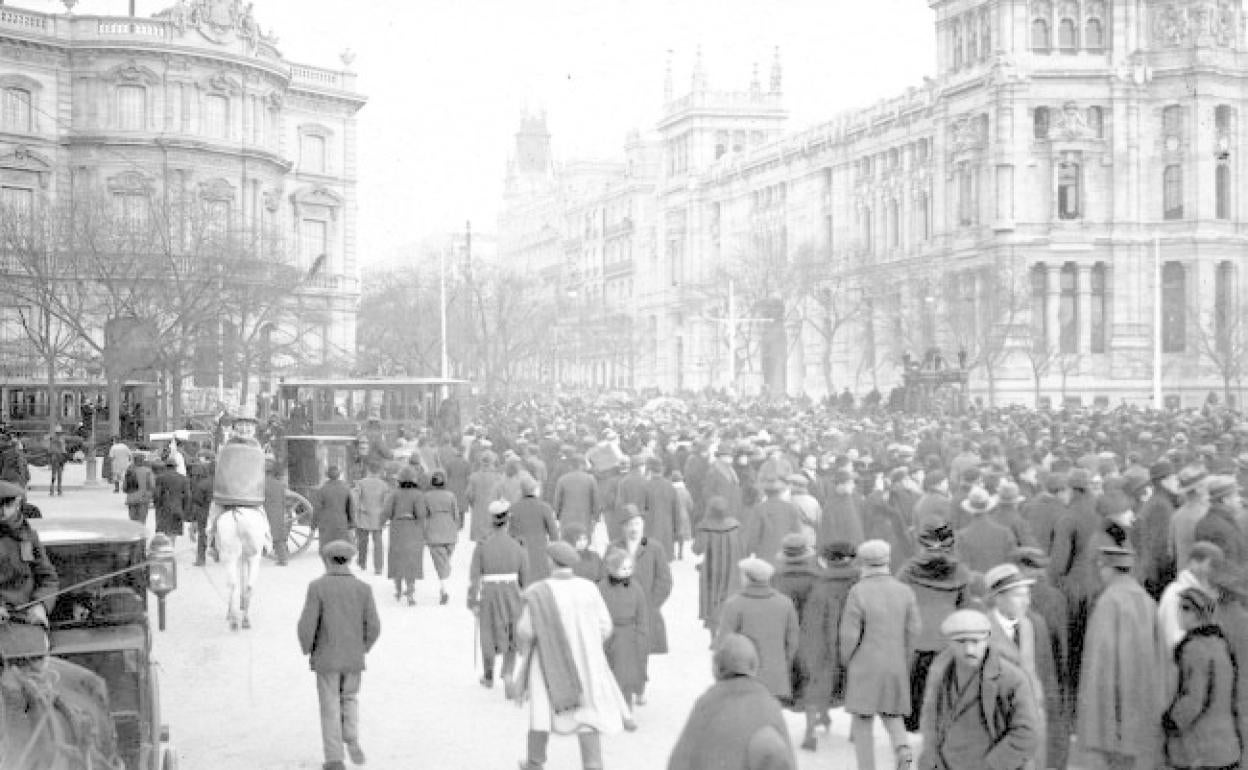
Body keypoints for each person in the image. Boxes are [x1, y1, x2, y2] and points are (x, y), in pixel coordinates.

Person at [510, 541, 630, 770]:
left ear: (551, 562)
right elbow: (605, 626)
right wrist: (590, 644)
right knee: (587, 712)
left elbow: (526, 630)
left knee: (541, 712)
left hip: (548, 660)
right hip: (586, 658)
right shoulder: (589, 588)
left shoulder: (539, 591)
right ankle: (592, 763)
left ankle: (535, 761)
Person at [1077, 546, 1166, 770]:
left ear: (1106, 568)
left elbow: (1099, 664)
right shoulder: (1147, 600)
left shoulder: (1109, 602)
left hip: (1112, 714)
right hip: (1143, 707)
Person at [916, 609, 1040, 770]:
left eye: (975, 642)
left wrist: (990, 766)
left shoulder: (1012, 679)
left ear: (987, 639)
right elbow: (929, 720)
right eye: (961, 642)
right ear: (949, 643)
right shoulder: (939, 672)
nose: (969, 650)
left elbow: (1026, 733)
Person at [296, 540, 381, 770]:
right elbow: (374, 626)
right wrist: (361, 648)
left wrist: (308, 649)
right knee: (350, 698)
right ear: (351, 560)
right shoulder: (364, 589)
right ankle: (351, 738)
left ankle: (334, 758)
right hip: (353, 658)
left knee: (329, 705)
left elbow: (306, 625)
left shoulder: (317, 587)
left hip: (327, 658)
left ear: (327, 560)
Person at [839, 539, 920, 770]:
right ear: (887, 561)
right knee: (893, 715)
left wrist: (847, 660)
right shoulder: (904, 591)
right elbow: (914, 629)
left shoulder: (858, 591)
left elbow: (849, 635)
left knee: (863, 721)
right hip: (895, 662)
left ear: (863, 563)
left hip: (864, 664)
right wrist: (904, 657)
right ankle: (903, 751)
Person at [666, 633, 797, 770]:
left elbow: (680, 761)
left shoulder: (707, 706)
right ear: (754, 666)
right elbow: (785, 761)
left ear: (717, 667)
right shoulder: (769, 707)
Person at [895, 517, 972, 735]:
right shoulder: (960, 572)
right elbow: (964, 608)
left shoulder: (907, 571)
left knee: (916, 692)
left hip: (916, 641)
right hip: (946, 641)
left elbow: (898, 603)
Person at [1163, 588, 1241, 770]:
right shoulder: (1220, 644)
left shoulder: (1194, 648)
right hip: (1226, 746)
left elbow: (1193, 699)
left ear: (1195, 614)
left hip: (1201, 749)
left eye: (1183, 609)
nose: (1178, 614)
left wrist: (1170, 721)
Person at [799, 542, 858, 751]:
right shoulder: (858, 584)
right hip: (856, 644)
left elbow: (811, 626)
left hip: (824, 644)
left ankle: (811, 732)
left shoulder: (819, 586)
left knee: (817, 682)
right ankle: (855, 731)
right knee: (855, 682)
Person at [717, 556, 800, 703]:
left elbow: (724, 643)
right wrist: (783, 663)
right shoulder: (785, 603)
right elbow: (793, 641)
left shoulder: (734, 604)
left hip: (743, 678)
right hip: (776, 676)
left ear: (747, 578)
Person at [614, 505, 672, 704]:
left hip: (645, 611)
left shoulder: (654, 548)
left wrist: (651, 604)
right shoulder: (615, 548)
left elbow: (665, 580)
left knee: (641, 652)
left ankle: (639, 689)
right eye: (629, 524)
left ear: (643, 525)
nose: (634, 528)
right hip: (619, 611)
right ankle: (623, 691)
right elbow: (604, 575)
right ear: (623, 527)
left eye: (637, 523)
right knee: (619, 652)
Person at [468, 499, 528, 689]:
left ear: (491, 520)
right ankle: (508, 673)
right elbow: (525, 577)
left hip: (490, 594)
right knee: (511, 632)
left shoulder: (482, 545)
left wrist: (473, 601)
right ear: (508, 519)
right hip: (511, 592)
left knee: (488, 633)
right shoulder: (518, 545)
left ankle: (488, 676)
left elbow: (474, 576)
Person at [0, 480, 57, 655]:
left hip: (24, 619)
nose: (2, 512)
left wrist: (41, 605)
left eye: (8, 505)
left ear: (17, 504)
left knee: (33, 665)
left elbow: (48, 579)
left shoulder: (28, 536)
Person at [598, 548, 648, 729]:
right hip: (608, 635)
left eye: (629, 568)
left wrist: (642, 636)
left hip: (628, 636)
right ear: (611, 568)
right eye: (622, 568)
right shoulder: (601, 588)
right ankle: (607, 712)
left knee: (626, 676)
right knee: (607, 675)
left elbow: (642, 615)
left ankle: (627, 713)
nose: (627, 571)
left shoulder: (636, 588)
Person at [1156, 541, 1222, 654]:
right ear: (1193, 563)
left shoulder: (1207, 595)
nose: (1214, 571)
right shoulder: (1176, 594)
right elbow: (1174, 641)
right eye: (1212, 565)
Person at [692, 496, 743, 639]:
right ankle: (728, 632)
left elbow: (697, 549)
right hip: (731, 570)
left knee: (711, 600)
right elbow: (742, 549)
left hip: (710, 571)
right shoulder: (735, 527)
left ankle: (713, 635)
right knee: (729, 599)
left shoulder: (705, 527)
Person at [380, 465, 425, 605]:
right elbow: (421, 514)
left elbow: (386, 511)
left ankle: (398, 589)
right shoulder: (418, 494)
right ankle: (410, 591)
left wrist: (380, 523)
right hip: (413, 529)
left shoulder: (394, 494)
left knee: (397, 557)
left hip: (397, 528)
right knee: (412, 559)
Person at [511, 476, 560, 584]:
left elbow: (510, 534)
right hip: (540, 553)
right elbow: (554, 535)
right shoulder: (544, 507)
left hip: (520, 552)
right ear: (535, 490)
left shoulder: (513, 508)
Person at [422, 470, 461, 605]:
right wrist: (455, 527)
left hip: (434, 531)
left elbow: (424, 515)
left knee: (440, 565)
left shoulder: (426, 496)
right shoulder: (451, 495)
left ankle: (445, 590)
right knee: (445, 562)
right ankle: (444, 586)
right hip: (450, 531)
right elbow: (456, 515)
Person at [352, 463, 389, 576]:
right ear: (378, 472)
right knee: (378, 543)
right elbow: (386, 501)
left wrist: (356, 510)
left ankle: (362, 563)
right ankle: (378, 567)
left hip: (364, 516)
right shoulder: (384, 485)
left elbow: (355, 499)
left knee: (362, 541)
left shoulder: (361, 483)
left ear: (368, 471)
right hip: (378, 517)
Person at [312, 466, 356, 551]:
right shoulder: (346, 489)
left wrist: (313, 524)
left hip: (326, 525)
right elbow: (351, 508)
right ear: (339, 475)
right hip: (341, 523)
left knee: (327, 551)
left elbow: (317, 509)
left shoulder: (322, 490)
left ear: (327, 475)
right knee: (340, 550)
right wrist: (352, 523)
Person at [153, 458, 189, 548]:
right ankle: (171, 550)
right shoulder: (183, 479)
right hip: (177, 508)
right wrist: (184, 510)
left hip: (163, 509)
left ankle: (165, 552)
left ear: (166, 467)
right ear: (175, 467)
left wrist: (157, 506)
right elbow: (187, 496)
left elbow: (157, 495)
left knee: (163, 532)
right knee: (173, 533)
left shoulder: (160, 478)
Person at [262, 455, 289, 567]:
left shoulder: (261, 484)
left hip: (266, 512)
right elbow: (284, 500)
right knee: (278, 536)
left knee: (269, 534)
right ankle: (282, 558)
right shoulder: (280, 484)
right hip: (278, 512)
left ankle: (282, 560)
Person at [124, 454, 156, 525]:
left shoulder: (129, 471)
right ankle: (141, 535)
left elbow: (124, 488)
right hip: (143, 499)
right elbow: (152, 485)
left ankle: (134, 534)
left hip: (131, 499)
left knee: (132, 521)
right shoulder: (148, 471)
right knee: (142, 521)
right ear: (143, 461)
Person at [47, 427, 66, 496]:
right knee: (59, 475)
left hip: (54, 458)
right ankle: (59, 490)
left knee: (54, 475)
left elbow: (49, 450)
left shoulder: (52, 439)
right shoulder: (61, 440)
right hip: (59, 458)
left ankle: (52, 490)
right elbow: (63, 450)